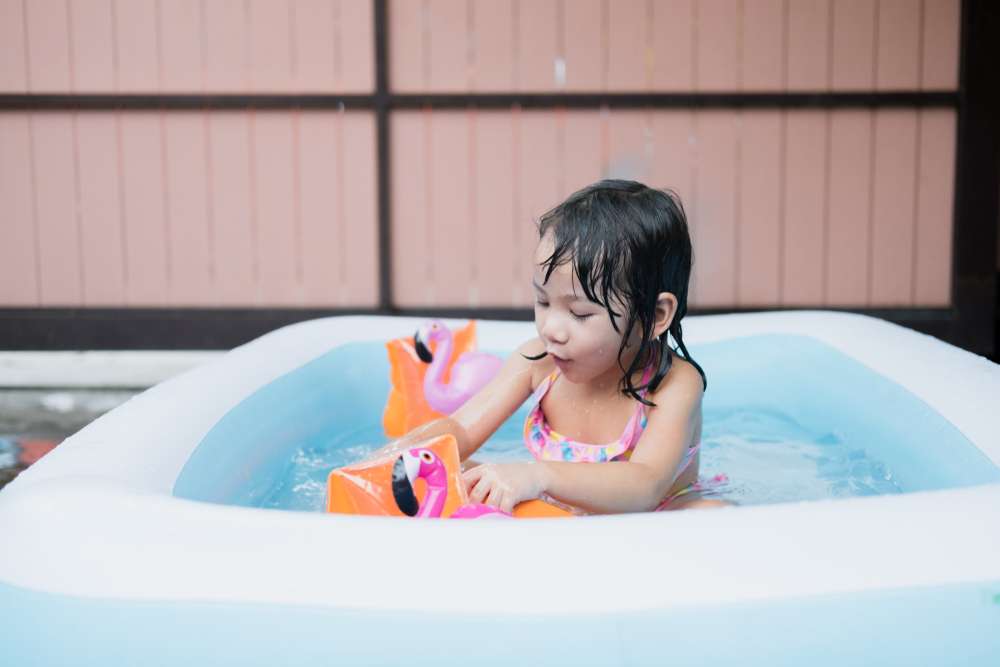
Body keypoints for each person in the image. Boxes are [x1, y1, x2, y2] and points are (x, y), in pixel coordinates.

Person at [380, 179, 729, 515]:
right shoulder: (537, 362)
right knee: (454, 465)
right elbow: (461, 431)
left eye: (579, 313)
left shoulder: (675, 385)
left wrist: (537, 474)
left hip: (654, 518)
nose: (551, 330)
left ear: (654, 315)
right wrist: (393, 457)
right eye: (543, 302)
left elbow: (645, 484)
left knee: (713, 513)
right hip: (555, 511)